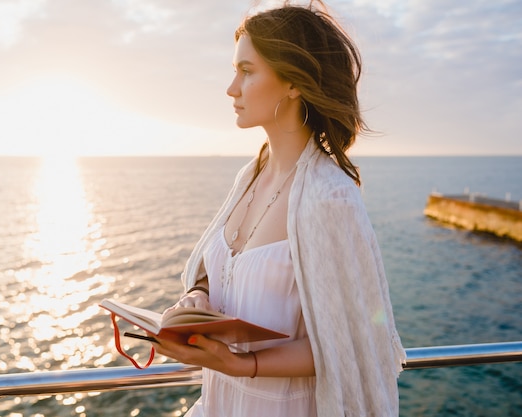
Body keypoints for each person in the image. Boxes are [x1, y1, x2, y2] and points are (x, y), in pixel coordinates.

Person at [153, 2, 406, 416]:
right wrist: (196, 298)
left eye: (247, 71)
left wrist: (242, 364)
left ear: (293, 83)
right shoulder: (249, 177)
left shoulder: (330, 195)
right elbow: (221, 274)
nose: (231, 88)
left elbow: (353, 345)